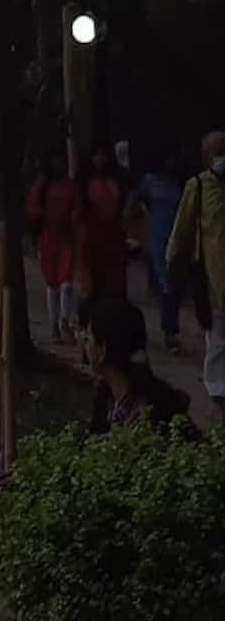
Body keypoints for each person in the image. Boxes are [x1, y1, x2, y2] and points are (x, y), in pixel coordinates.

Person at [165, 130, 225, 415]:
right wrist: (174, 260)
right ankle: (217, 388)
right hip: (211, 275)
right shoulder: (198, 187)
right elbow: (183, 226)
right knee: (216, 332)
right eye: (218, 152)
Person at [80, 296, 195, 436]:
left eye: (88, 339)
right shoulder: (106, 395)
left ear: (103, 349)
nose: (84, 345)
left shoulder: (149, 415)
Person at [26, 147, 82, 342]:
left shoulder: (70, 185)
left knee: (66, 284)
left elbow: (77, 207)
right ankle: (53, 327)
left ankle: (65, 322)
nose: (59, 163)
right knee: (53, 285)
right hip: (48, 238)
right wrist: (46, 216)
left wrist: (73, 219)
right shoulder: (43, 184)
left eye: (61, 160)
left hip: (67, 239)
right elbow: (31, 208)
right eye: (55, 160)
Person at [139, 147, 190, 354]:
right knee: (167, 284)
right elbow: (139, 205)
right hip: (157, 237)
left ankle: (171, 327)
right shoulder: (149, 181)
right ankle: (170, 333)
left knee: (176, 286)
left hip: (177, 237)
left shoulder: (179, 183)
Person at [78, 144, 128, 305]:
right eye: (96, 155)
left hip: (112, 236)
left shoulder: (114, 181)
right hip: (91, 235)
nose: (100, 159)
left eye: (103, 155)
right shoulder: (84, 183)